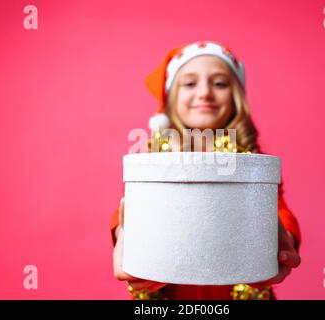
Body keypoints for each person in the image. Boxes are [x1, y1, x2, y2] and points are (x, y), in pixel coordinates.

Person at [110, 41, 301, 300]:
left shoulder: (254, 162)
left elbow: (277, 209)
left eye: (219, 83)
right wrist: (124, 234)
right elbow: (131, 208)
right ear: (170, 96)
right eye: (189, 83)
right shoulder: (153, 159)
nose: (205, 93)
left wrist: (282, 238)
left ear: (236, 95)